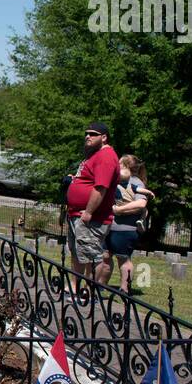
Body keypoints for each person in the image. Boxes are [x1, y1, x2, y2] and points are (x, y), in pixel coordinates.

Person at [64, 122, 118, 285]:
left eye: (93, 134)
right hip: (77, 214)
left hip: (91, 217)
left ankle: (90, 291)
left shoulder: (106, 156)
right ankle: (75, 287)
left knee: (92, 256)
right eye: (86, 133)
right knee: (78, 253)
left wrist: (88, 212)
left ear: (104, 137)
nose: (88, 136)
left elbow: (100, 188)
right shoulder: (94, 155)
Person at [108, 155, 150, 291]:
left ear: (125, 166)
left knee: (123, 258)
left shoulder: (136, 182)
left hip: (125, 228)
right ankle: (99, 286)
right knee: (104, 256)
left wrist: (118, 210)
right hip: (110, 226)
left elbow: (141, 203)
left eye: (119, 162)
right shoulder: (117, 179)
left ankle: (124, 289)